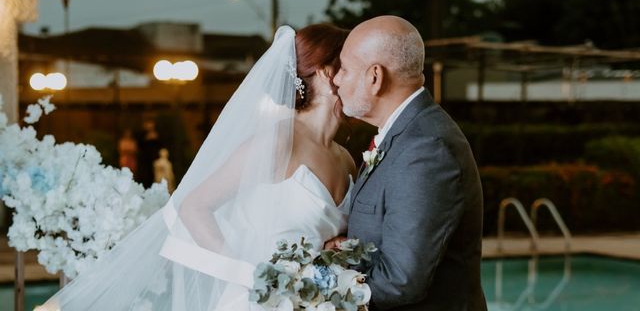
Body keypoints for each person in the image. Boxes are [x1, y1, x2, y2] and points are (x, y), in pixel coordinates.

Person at [40, 23, 355, 310]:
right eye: (351, 67)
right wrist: (250, 275)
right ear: (328, 74)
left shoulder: (346, 158)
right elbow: (193, 207)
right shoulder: (277, 142)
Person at [331, 15, 487, 311]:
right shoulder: (407, 134)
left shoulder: (425, 149)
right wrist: (345, 249)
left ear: (375, 77)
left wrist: (319, 295)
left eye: (345, 69)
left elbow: (401, 281)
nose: (337, 79)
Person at [137, 118, 163, 188]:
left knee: (156, 176)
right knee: (146, 176)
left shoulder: (157, 133)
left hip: (155, 159)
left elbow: (161, 146)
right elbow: (139, 145)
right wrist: (147, 138)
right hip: (145, 160)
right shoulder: (142, 134)